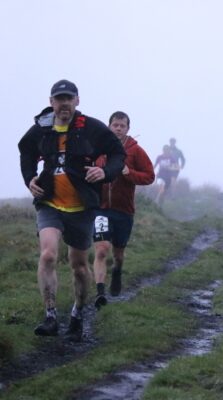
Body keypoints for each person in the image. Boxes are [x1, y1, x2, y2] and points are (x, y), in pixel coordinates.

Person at [18, 79, 125, 341]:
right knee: (48, 255)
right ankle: (50, 316)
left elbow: (117, 153)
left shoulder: (90, 127)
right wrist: (30, 178)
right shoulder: (42, 128)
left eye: (69, 98)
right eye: (59, 99)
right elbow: (26, 150)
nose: (64, 103)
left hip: (82, 208)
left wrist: (105, 171)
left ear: (77, 101)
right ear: (51, 102)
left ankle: (77, 314)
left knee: (78, 266)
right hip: (49, 203)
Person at [92, 111, 155, 308]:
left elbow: (149, 176)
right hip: (100, 209)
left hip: (124, 211)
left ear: (128, 128)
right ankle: (100, 291)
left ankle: (117, 271)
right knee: (101, 249)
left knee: (118, 254)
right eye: (115, 125)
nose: (118, 128)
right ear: (109, 126)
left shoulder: (136, 151)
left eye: (122, 125)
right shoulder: (99, 148)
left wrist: (129, 173)